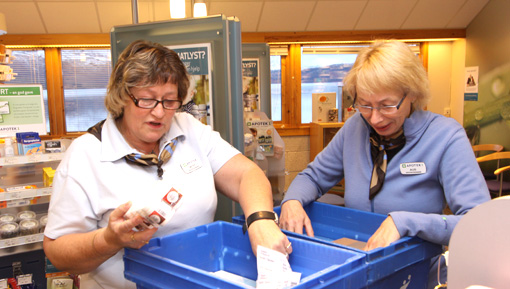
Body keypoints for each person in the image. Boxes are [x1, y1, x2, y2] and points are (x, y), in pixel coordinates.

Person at [43, 40, 291, 289]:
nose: (160, 113)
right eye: (147, 100)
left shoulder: (189, 128)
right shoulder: (85, 155)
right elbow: (57, 251)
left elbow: (246, 174)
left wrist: (261, 221)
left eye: (170, 100)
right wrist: (108, 240)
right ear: (122, 96)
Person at [279, 40, 491, 288]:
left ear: (412, 93)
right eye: (365, 105)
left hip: (416, 275)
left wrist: (404, 222)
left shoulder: (446, 136)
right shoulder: (355, 128)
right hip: (361, 270)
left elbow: (478, 224)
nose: (375, 118)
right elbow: (313, 177)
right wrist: (291, 201)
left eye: (387, 105)